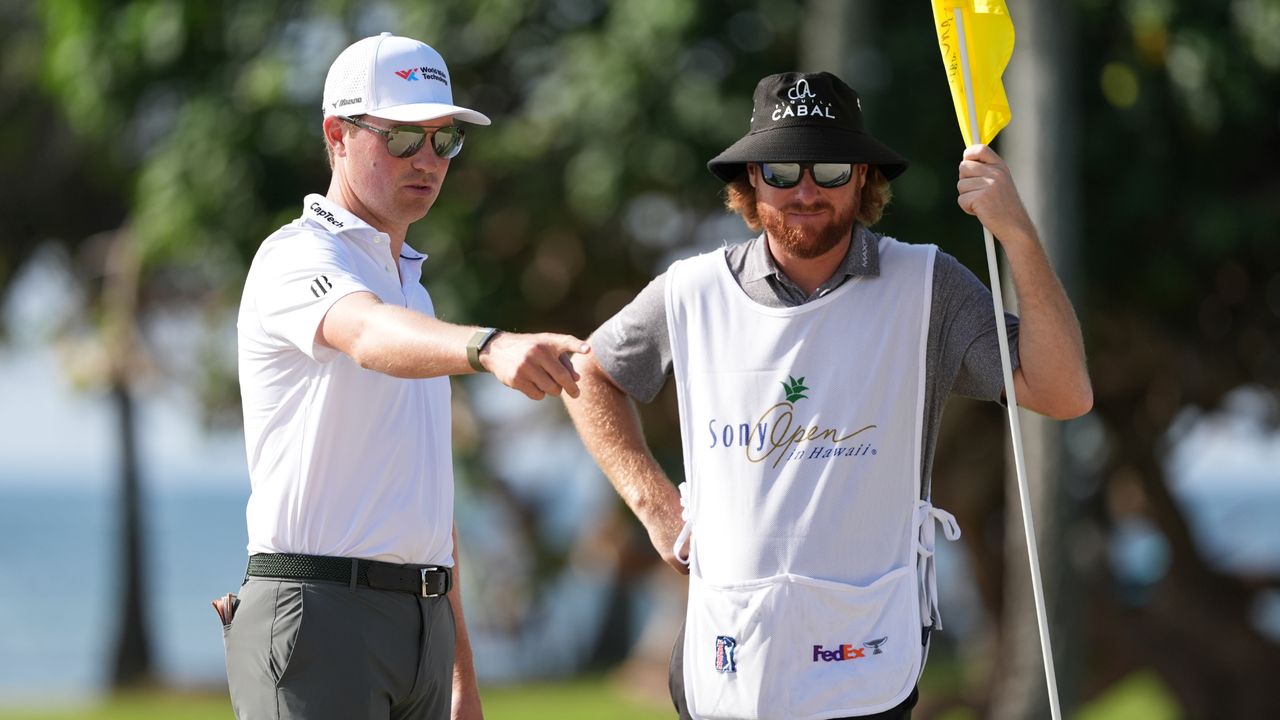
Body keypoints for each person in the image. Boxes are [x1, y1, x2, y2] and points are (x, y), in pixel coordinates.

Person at [563, 71, 1091, 719]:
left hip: (865, 644)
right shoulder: (691, 290)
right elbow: (587, 374)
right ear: (750, 181)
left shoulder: (927, 283)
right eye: (781, 170)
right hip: (731, 646)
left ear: (864, 179)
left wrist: (1018, 237)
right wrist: (654, 506)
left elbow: (1062, 392)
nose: (806, 189)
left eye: (832, 168)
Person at [223, 33, 589, 720]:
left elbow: (424, 509)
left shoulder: (414, 293)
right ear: (337, 134)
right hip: (317, 616)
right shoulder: (295, 256)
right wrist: (490, 346)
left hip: (420, 627)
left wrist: (459, 672)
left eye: (443, 140)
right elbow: (363, 334)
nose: (427, 160)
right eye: (401, 138)